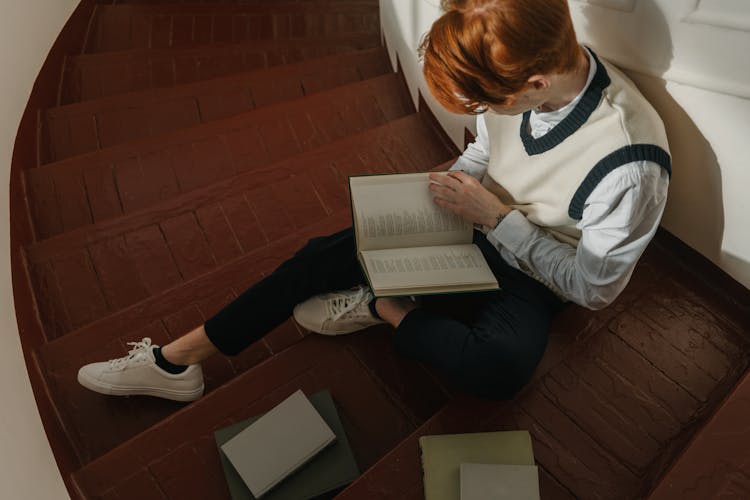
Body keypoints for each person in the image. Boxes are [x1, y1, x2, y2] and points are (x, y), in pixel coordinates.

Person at [77, 0, 670, 402]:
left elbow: (594, 288)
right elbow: (487, 149)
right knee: (319, 255)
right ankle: (176, 362)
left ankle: (384, 306)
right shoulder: (521, 73)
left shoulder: (630, 164)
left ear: (534, 84)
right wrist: (445, 191)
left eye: (488, 101)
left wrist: (497, 219)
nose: (481, 114)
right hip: (475, 220)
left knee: (501, 367)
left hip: (536, 272)